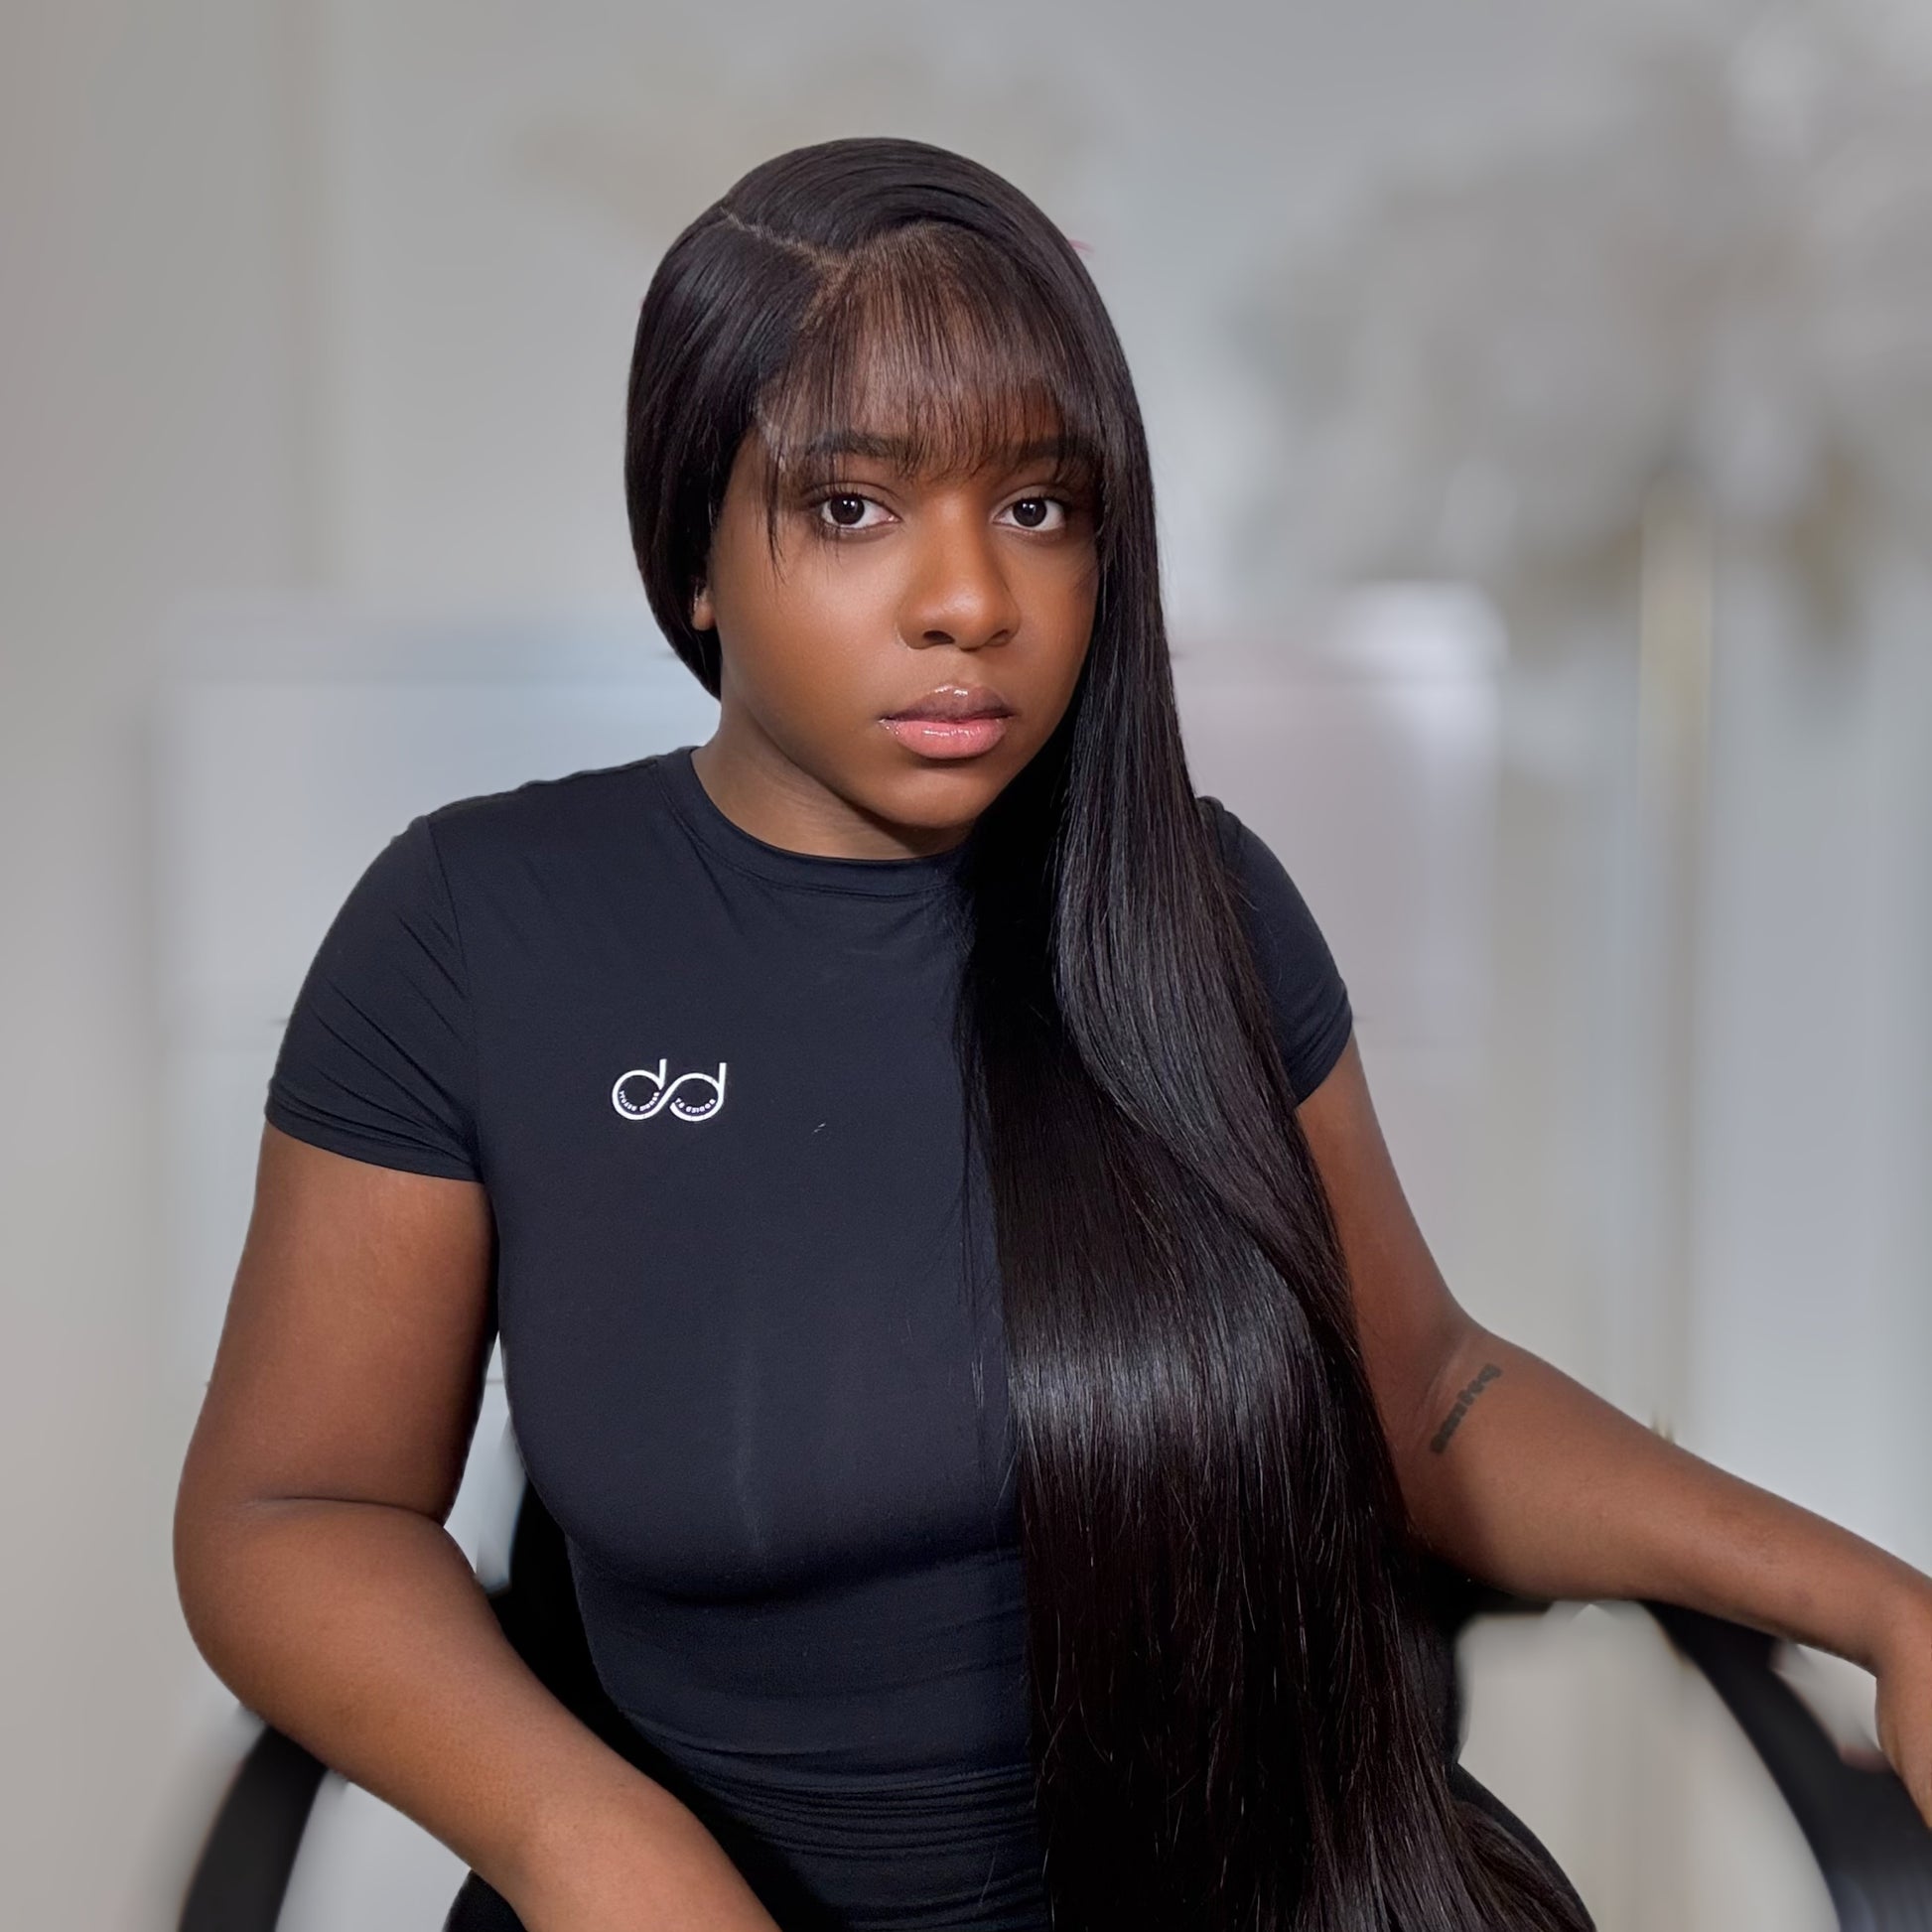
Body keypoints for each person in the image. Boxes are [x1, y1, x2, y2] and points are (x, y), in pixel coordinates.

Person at [173, 135, 1932, 1932]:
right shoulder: (477, 926)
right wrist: (588, 1842)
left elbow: (1421, 1398)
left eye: (1037, 506)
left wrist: (1885, 1608)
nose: (972, 601)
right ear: (690, 549)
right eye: (851, 507)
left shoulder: (1198, 905)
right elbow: (295, 1507)